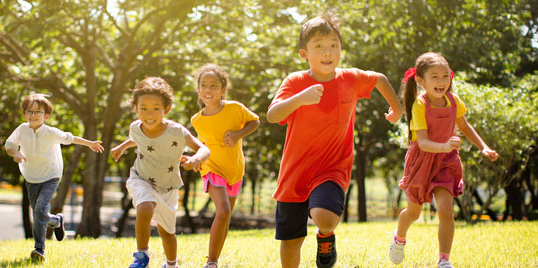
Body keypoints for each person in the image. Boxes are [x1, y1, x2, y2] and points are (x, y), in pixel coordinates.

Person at [266, 11, 403, 268]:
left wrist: (396, 110)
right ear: (304, 54)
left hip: (332, 168)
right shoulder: (295, 81)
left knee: (325, 217)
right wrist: (299, 99)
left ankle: (325, 236)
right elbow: (273, 115)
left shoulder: (349, 78)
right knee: (291, 240)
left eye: (333, 46)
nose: (328, 52)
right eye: (319, 46)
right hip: (294, 173)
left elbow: (380, 80)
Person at [388, 52, 499, 268]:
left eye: (445, 76)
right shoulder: (419, 105)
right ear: (421, 81)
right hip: (422, 161)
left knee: (446, 210)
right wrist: (445, 146)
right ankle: (399, 238)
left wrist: (484, 147)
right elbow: (423, 143)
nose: (441, 82)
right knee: (413, 212)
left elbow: (465, 126)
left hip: (446, 161)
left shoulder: (453, 100)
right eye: (435, 77)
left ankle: (444, 259)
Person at [111, 77, 210, 268]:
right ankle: (141, 256)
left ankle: (171, 264)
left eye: (156, 108)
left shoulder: (176, 132)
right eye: (144, 108)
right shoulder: (135, 127)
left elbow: (204, 149)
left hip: (168, 186)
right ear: (136, 108)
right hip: (141, 178)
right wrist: (123, 146)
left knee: (167, 233)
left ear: (167, 109)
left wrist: (195, 159)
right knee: (145, 206)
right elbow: (137, 139)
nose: (149, 114)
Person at [4, 93, 104, 262]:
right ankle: (56, 220)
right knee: (39, 212)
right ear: (24, 114)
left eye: (38, 112)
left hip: (51, 176)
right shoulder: (22, 129)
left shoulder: (50, 132)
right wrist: (16, 154)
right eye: (30, 111)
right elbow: (9, 145)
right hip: (31, 177)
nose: (33, 115)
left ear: (46, 115)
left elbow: (70, 138)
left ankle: (39, 249)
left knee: (39, 210)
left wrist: (90, 144)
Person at [190, 63, 260, 268]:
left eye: (213, 85)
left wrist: (238, 135)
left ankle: (215, 260)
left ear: (223, 90)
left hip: (234, 170)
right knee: (223, 210)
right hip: (211, 168)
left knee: (226, 215)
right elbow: (201, 144)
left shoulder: (235, 108)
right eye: (204, 85)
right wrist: (195, 159)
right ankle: (210, 262)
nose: (208, 90)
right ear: (199, 90)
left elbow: (254, 121)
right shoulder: (197, 120)